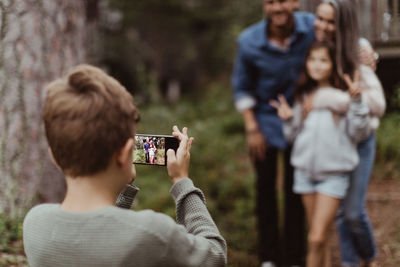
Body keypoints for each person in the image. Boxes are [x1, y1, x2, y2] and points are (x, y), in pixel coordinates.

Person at [23, 64, 227, 267]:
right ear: (124, 153)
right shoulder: (152, 233)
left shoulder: (35, 224)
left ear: (54, 157)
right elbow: (215, 255)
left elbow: (100, 235)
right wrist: (182, 181)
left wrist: (121, 189)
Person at [271, 41, 370, 267]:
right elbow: (293, 137)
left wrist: (356, 102)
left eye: (323, 60)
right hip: (305, 174)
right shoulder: (302, 96)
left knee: (314, 237)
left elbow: (360, 132)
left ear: (332, 64)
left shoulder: (343, 98)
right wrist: (288, 120)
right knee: (320, 239)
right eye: (312, 59)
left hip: (333, 175)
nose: (316, 65)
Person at [232, 1, 315, 266]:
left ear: (295, 3)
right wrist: (251, 128)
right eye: (270, 2)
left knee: (296, 188)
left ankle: (295, 256)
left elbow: (345, 44)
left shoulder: (313, 28)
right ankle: (268, 257)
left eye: (283, 1)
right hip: (264, 120)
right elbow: (242, 87)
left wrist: (368, 56)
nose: (277, 7)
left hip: (301, 120)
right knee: (265, 188)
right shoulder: (248, 40)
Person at [311, 1, 386, 266]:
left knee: (353, 211)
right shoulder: (316, 51)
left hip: (361, 141)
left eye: (330, 21)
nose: (323, 26)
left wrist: (336, 99)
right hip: (333, 143)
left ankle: (369, 256)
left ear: (342, 24)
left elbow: (378, 104)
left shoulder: (358, 52)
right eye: (320, 18)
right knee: (341, 214)